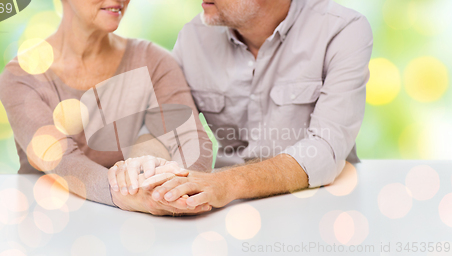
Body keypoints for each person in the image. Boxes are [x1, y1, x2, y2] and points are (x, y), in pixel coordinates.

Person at [142, 0, 373, 210]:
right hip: (226, 210)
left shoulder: (343, 29)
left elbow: (326, 150)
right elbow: (167, 130)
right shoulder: (193, 37)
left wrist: (226, 183)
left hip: (321, 205)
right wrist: (143, 165)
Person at [0, 0, 213, 215]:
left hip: (133, 229)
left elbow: (191, 141)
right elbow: (64, 161)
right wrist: (125, 194)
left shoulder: (153, 61)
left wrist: (171, 190)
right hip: (48, 224)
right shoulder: (21, 78)